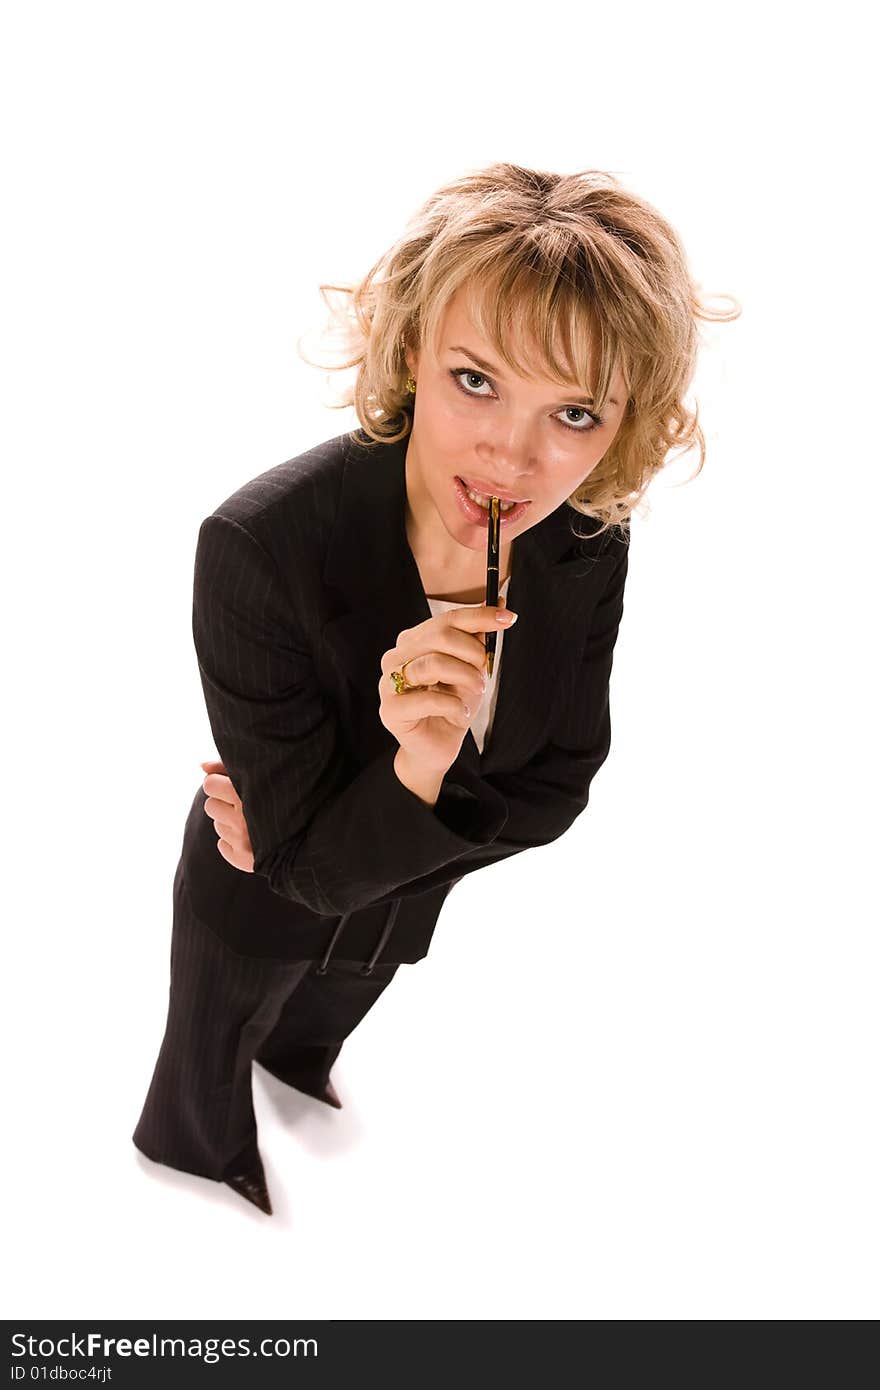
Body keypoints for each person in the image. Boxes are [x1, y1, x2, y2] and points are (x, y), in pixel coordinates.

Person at [132, 161, 738, 1215]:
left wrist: (340, 838)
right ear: (412, 348)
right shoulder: (256, 547)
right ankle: (202, 1151)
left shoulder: (585, 542)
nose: (512, 453)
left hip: (392, 889)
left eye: (575, 413)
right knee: (209, 1056)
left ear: (623, 421)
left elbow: (562, 786)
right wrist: (400, 788)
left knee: (325, 1013)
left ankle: (298, 1063)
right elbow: (306, 874)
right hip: (247, 896)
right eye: (476, 380)